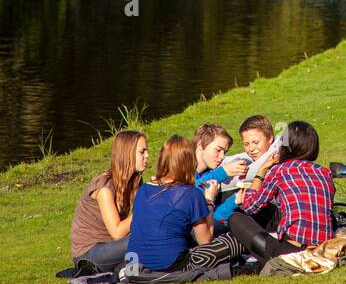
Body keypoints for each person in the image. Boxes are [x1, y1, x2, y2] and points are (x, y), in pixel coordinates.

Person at [228, 121, 334, 273]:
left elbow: (250, 206)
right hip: (323, 249)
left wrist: (262, 170)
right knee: (272, 210)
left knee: (236, 218)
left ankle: (262, 258)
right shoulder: (325, 173)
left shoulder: (280, 170)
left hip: (292, 253)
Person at [127, 135, 241, 274]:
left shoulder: (143, 189)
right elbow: (205, 241)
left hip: (133, 265)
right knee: (236, 240)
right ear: (189, 162)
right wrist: (209, 200)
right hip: (171, 265)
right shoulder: (191, 194)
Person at [70, 130, 149, 271]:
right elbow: (117, 232)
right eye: (142, 152)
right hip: (89, 254)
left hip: (112, 246)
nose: (147, 156)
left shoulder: (135, 180)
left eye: (146, 151)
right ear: (127, 154)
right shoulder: (105, 188)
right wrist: (146, 208)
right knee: (141, 238)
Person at [211, 115, 276, 228]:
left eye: (255, 142)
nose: (251, 149)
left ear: (270, 138)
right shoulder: (249, 160)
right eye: (246, 144)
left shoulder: (275, 161)